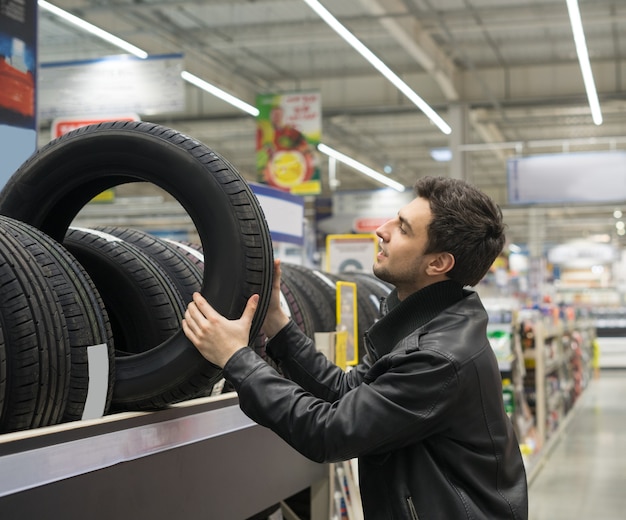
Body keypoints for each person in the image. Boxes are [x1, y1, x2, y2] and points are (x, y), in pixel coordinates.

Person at [182, 176, 528, 519]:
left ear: (437, 263)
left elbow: (329, 432)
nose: (382, 229)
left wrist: (236, 358)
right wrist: (278, 323)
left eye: (404, 229)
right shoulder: (425, 321)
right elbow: (346, 391)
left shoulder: (438, 357)